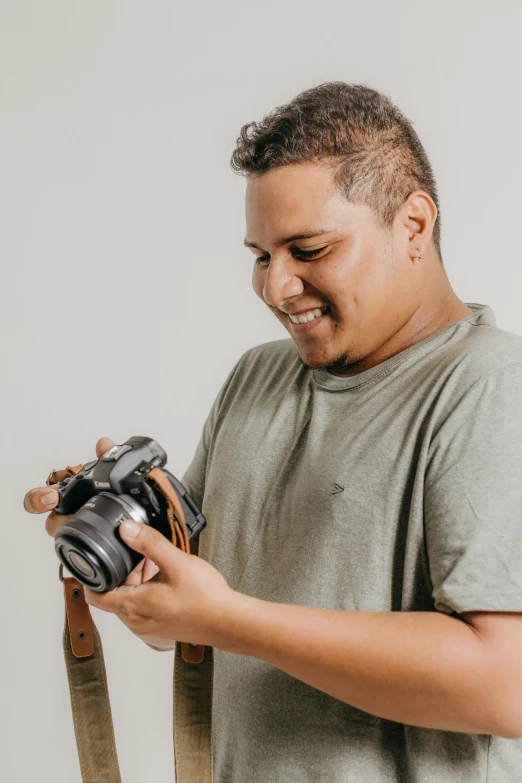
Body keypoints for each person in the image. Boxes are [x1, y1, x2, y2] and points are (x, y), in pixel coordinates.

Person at [24, 82, 522, 782]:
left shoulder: (491, 385)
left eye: (309, 249)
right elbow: (189, 618)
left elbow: (505, 684)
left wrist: (228, 620)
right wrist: (123, 540)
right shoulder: (257, 379)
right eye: (262, 255)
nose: (274, 287)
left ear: (414, 225)